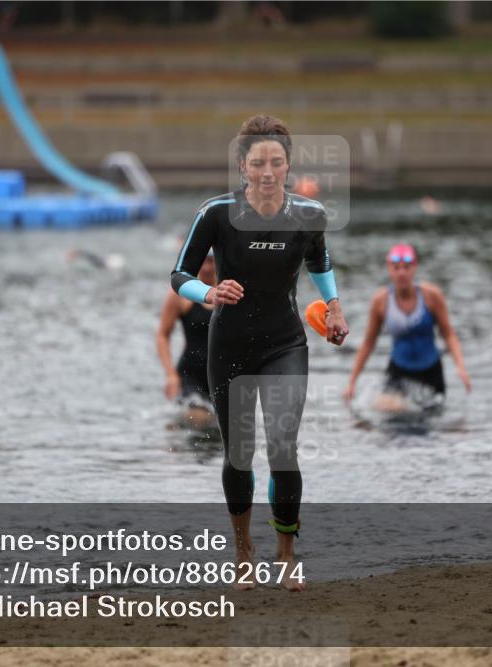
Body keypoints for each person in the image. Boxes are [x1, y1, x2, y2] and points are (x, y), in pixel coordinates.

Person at [170, 114, 349, 592]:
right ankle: (243, 550)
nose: (267, 172)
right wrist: (209, 293)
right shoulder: (216, 213)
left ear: (288, 165)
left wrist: (333, 306)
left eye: (275, 162)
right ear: (242, 167)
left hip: (285, 342)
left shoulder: (308, 214)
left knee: (284, 449)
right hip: (229, 345)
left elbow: (318, 261)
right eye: (257, 163)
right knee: (239, 455)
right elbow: (179, 274)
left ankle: (286, 553)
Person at [344, 244, 471, 412]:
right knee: (386, 409)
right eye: (396, 267)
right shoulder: (380, 302)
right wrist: (352, 381)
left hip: (430, 371)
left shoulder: (432, 296)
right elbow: (368, 343)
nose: (401, 273)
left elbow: (448, 334)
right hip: (399, 370)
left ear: (414, 268)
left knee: (430, 419)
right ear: (389, 269)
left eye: (406, 267)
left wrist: (461, 367)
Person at [156, 252, 217, 430]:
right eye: (202, 262)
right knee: (199, 420)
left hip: (223, 373)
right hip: (191, 374)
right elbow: (162, 335)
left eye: (211, 262)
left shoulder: (232, 292)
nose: (206, 268)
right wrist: (170, 375)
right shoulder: (180, 295)